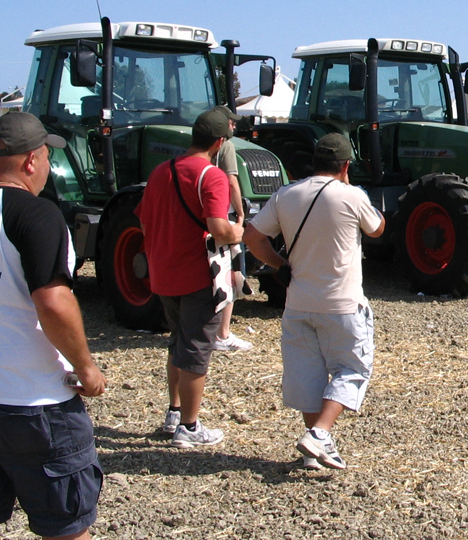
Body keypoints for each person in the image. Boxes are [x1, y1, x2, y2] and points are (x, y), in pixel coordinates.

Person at [244, 133, 384, 470]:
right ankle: (320, 434)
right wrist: (354, 190)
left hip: (298, 302)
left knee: (308, 376)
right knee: (352, 369)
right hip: (342, 304)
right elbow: (377, 228)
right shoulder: (351, 196)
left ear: (314, 162)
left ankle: (315, 449)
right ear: (345, 165)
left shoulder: (286, 194)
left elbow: (252, 236)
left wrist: (279, 264)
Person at [0, 112, 107, 540]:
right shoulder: (36, 214)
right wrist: (86, 366)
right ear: (31, 161)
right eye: (46, 156)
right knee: (66, 526)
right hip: (35, 400)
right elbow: (53, 301)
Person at [136, 109, 243, 448]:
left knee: (178, 343)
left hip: (163, 272)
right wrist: (238, 231)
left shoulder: (160, 171)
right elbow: (218, 228)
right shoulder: (212, 176)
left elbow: (143, 220)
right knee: (196, 349)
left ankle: (174, 413)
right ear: (219, 143)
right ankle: (189, 426)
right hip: (198, 275)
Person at [210, 106, 252, 353]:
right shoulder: (226, 146)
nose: (234, 126)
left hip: (205, 215)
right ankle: (222, 333)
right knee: (230, 272)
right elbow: (232, 180)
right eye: (231, 122)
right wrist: (241, 213)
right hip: (223, 213)